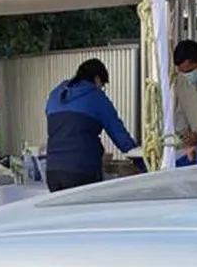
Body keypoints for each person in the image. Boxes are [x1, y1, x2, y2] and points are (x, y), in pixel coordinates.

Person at [43, 58, 144, 193]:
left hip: (52, 171)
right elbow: (121, 137)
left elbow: (62, 129)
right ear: (97, 79)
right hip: (81, 171)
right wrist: (144, 165)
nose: (102, 89)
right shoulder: (96, 97)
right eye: (103, 85)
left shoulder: (56, 94)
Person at [170, 39, 197, 167]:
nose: (187, 76)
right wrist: (185, 135)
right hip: (192, 152)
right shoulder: (181, 80)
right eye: (182, 72)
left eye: (189, 71)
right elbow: (180, 113)